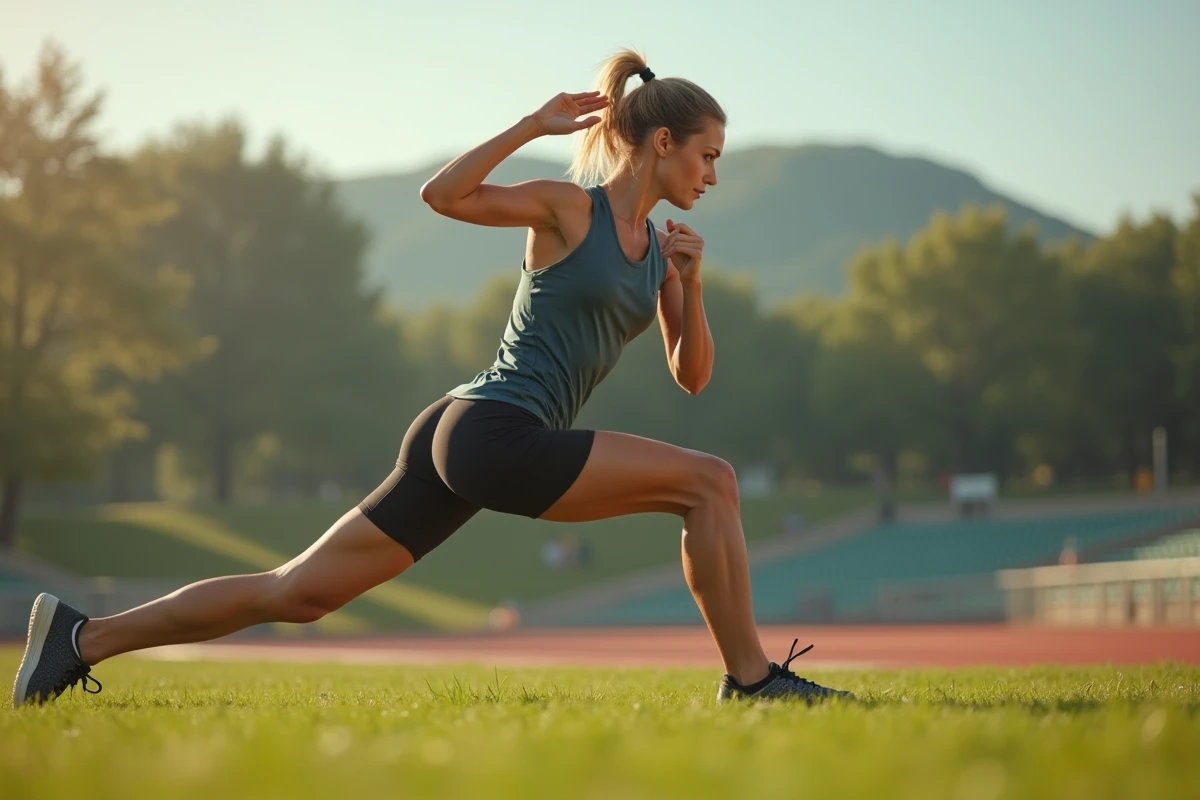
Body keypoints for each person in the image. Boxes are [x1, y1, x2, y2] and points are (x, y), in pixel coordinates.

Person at [12, 50, 852, 708]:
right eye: (707, 155)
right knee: (711, 484)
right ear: (662, 143)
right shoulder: (569, 209)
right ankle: (750, 682)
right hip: (491, 429)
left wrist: (692, 286)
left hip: (469, 432)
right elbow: (443, 195)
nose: (712, 174)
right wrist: (532, 122)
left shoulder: (660, 257)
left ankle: (79, 641)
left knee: (298, 593)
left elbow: (691, 375)